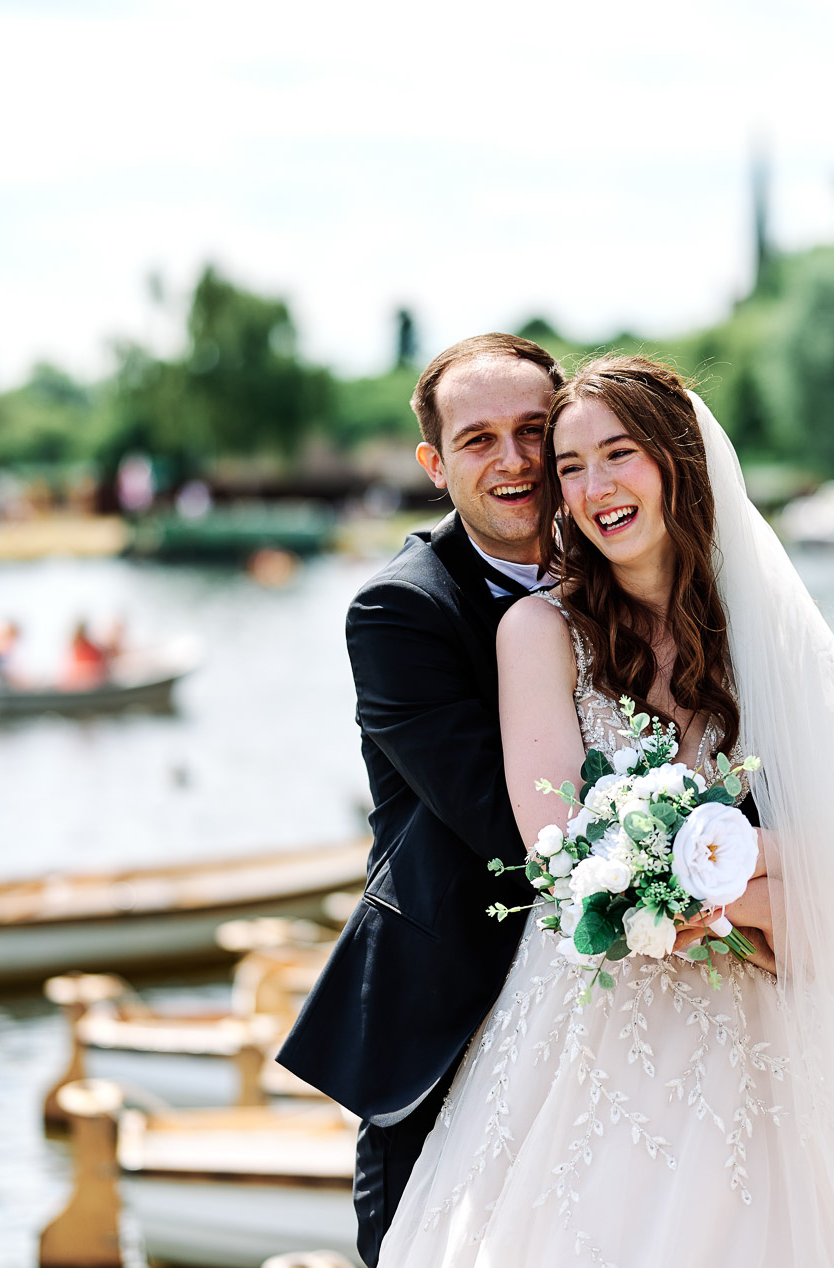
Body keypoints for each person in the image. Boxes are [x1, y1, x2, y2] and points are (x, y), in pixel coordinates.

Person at [377, 358, 834, 1267]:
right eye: (572, 466)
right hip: (591, 1017)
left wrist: (719, 889)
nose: (594, 486)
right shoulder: (536, 632)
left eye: (619, 454)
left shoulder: (764, 626)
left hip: (761, 1008)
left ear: (679, 461)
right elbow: (559, 851)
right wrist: (728, 877)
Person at [277, 332, 565, 1267]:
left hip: (623, 989)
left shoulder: (636, 580)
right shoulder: (400, 611)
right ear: (435, 467)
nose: (515, 460)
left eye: (534, 430)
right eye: (479, 441)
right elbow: (504, 817)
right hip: (451, 1017)